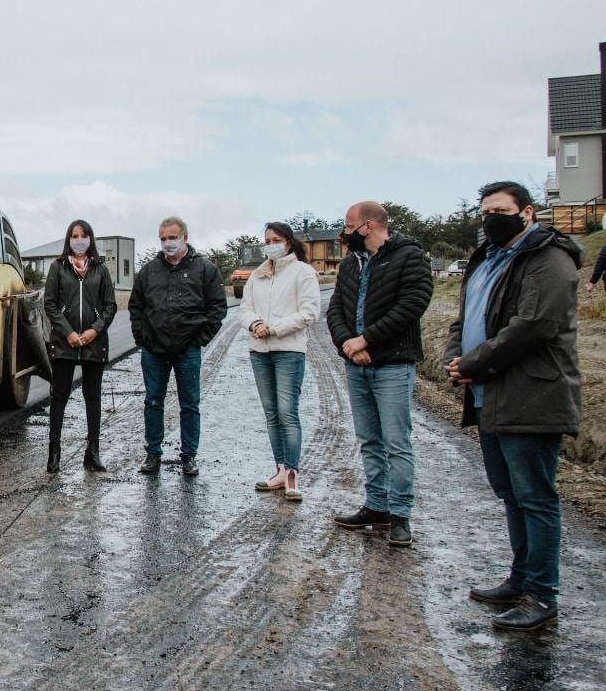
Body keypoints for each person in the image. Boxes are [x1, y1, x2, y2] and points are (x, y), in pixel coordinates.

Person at [446, 181, 582, 631]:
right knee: (510, 493)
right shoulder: (487, 257)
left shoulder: (549, 258)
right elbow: (465, 317)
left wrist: (475, 363)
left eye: (499, 210)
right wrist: (455, 354)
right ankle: (520, 577)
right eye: (484, 211)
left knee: (535, 496)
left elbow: (536, 325)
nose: (489, 218)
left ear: (527, 213)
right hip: (489, 394)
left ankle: (541, 594)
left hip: (531, 392)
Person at [326, 201, 433, 546]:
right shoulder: (349, 265)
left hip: (392, 364)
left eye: (349, 226)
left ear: (368, 226)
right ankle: (377, 506)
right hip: (357, 364)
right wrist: (347, 344)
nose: (345, 233)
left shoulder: (409, 256)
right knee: (369, 440)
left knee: (396, 442)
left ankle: (401, 515)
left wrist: (366, 339)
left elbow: (413, 304)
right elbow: (335, 310)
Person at [129, 216, 227, 476]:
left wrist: (200, 339)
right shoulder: (149, 271)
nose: (167, 243)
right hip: (154, 350)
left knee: (190, 404)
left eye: (172, 237)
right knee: (152, 401)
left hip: (188, 350)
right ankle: (153, 454)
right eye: (163, 238)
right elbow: (136, 307)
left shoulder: (205, 269)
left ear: (185, 237)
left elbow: (217, 308)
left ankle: (189, 456)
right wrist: (143, 338)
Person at [239, 222, 321, 501]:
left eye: (276, 239)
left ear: (288, 242)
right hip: (259, 349)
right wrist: (255, 324)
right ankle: (280, 468)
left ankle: (293, 474)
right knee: (272, 412)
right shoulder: (258, 275)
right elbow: (245, 308)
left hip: (288, 349)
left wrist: (273, 328)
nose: (270, 244)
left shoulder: (303, 273)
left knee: (288, 412)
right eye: (267, 240)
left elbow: (309, 313)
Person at [43, 220, 117, 473]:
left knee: (93, 397)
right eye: (75, 236)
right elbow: (50, 304)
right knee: (59, 396)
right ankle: (54, 453)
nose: (79, 240)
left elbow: (110, 306)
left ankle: (92, 453)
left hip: (94, 344)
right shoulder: (57, 267)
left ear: (90, 239)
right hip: (65, 344)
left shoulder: (100, 269)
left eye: (84, 235)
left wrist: (94, 330)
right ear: (68, 239)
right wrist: (69, 333)